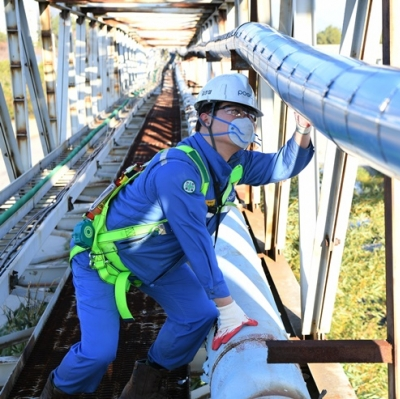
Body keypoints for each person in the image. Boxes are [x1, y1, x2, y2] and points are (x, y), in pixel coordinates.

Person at [42, 72, 314, 398]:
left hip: (156, 261)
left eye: (248, 115)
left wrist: (302, 129)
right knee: (99, 352)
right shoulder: (180, 170)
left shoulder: (235, 162)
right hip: (102, 258)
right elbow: (195, 240)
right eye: (234, 111)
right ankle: (57, 392)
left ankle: (147, 380)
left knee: (198, 315)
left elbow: (280, 167)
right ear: (205, 117)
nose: (243, 120)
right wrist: (228, 306)